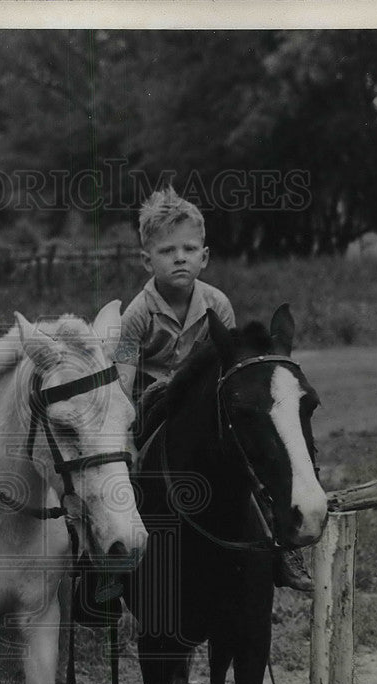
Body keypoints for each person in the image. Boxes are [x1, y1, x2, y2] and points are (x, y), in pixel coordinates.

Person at [114, 185, 312, 591]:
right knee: (124, 478)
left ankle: (280, 552)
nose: (180, 258)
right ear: (147, 260)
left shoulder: (217, 304)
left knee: (247, 465)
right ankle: (112, 569)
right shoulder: (136, 315)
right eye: (168, 251)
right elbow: (123, 384)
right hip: (152, 404)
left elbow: (231, 369)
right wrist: (126, 441)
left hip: (201, 404)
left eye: (189, 249)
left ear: (205, 256)